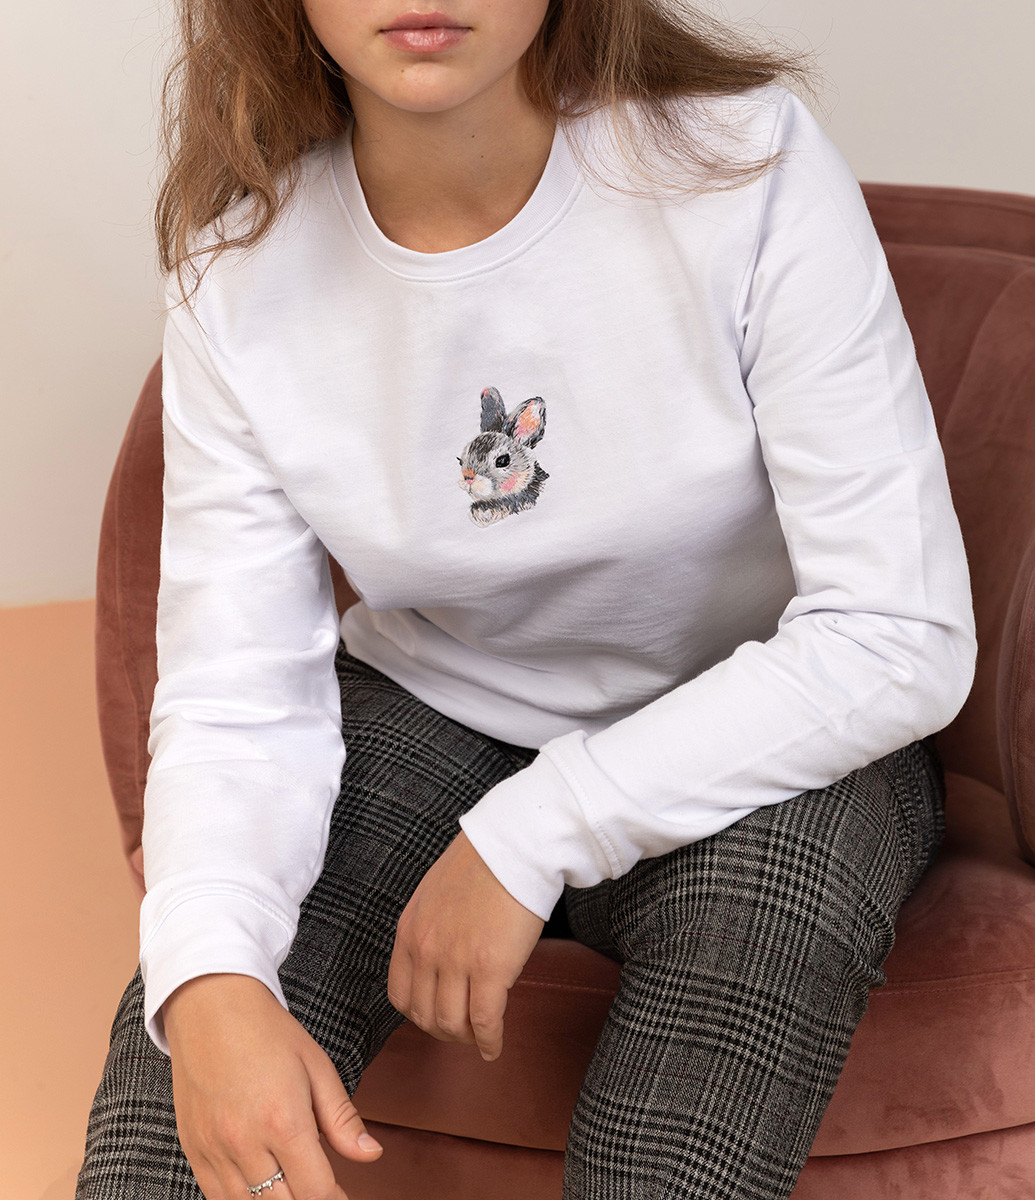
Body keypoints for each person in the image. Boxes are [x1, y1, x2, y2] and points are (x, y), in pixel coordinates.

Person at [77, 2, 977, 1198]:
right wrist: (207, 978)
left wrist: (530, 832)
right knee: (165, 1144)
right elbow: (235, 693)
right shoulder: (238, 266)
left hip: (779, 724)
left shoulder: (748, 163)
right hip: (438, 704)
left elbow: (897, 633)